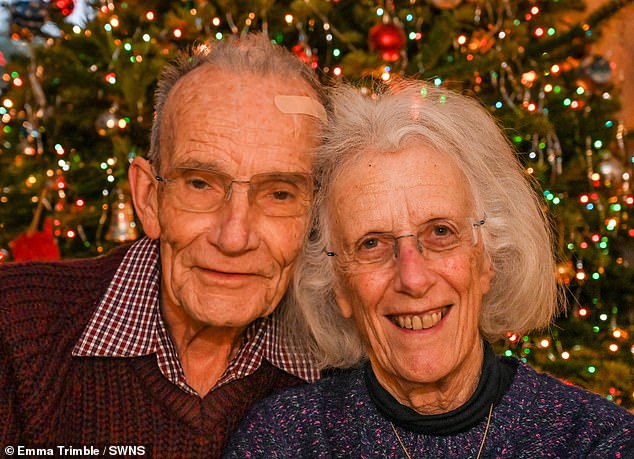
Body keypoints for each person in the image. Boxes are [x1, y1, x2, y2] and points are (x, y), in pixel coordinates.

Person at [224, 80, 634, 458]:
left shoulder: (595, 440)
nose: (413, 278)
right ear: (338, 286)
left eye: (440, 232)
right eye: (371, 244)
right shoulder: (283, 440)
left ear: (487, 257)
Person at [0, 33, 327, 457]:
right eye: (200, 184)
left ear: (316, 214)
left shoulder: (349, 364)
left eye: (279, 193)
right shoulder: (14, 328)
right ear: (149, 199)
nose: (234, 237)